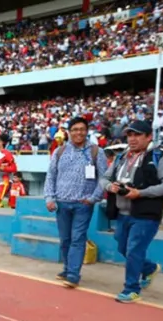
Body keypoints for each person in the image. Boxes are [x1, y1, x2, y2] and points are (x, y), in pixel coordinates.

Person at [99, 120, 163, 303]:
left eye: (137, 135)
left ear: (149, 137)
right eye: (129, 135)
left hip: (146, 214)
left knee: (134, 249)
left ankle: (131, 289)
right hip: (122, 212)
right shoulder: (121, 157)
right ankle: (149, 268)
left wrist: (140, 193)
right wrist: (111, 187)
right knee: (122, 246)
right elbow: (104, 178)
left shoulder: (160, 156)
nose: (132, 139)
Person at [43, 117, 108, 288]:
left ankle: (73, 274)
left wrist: (93, 198)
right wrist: (49, 197)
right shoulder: (60, 151)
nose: (78, 132)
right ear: (69, 132)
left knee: (78, 238)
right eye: (74, 129)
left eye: (82, 129)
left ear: (87, 131)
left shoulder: (96, 152)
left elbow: (104, 178)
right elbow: (51, 176)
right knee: (65, 239)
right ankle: (66, 268)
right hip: (62, 203)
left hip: (83, 204)